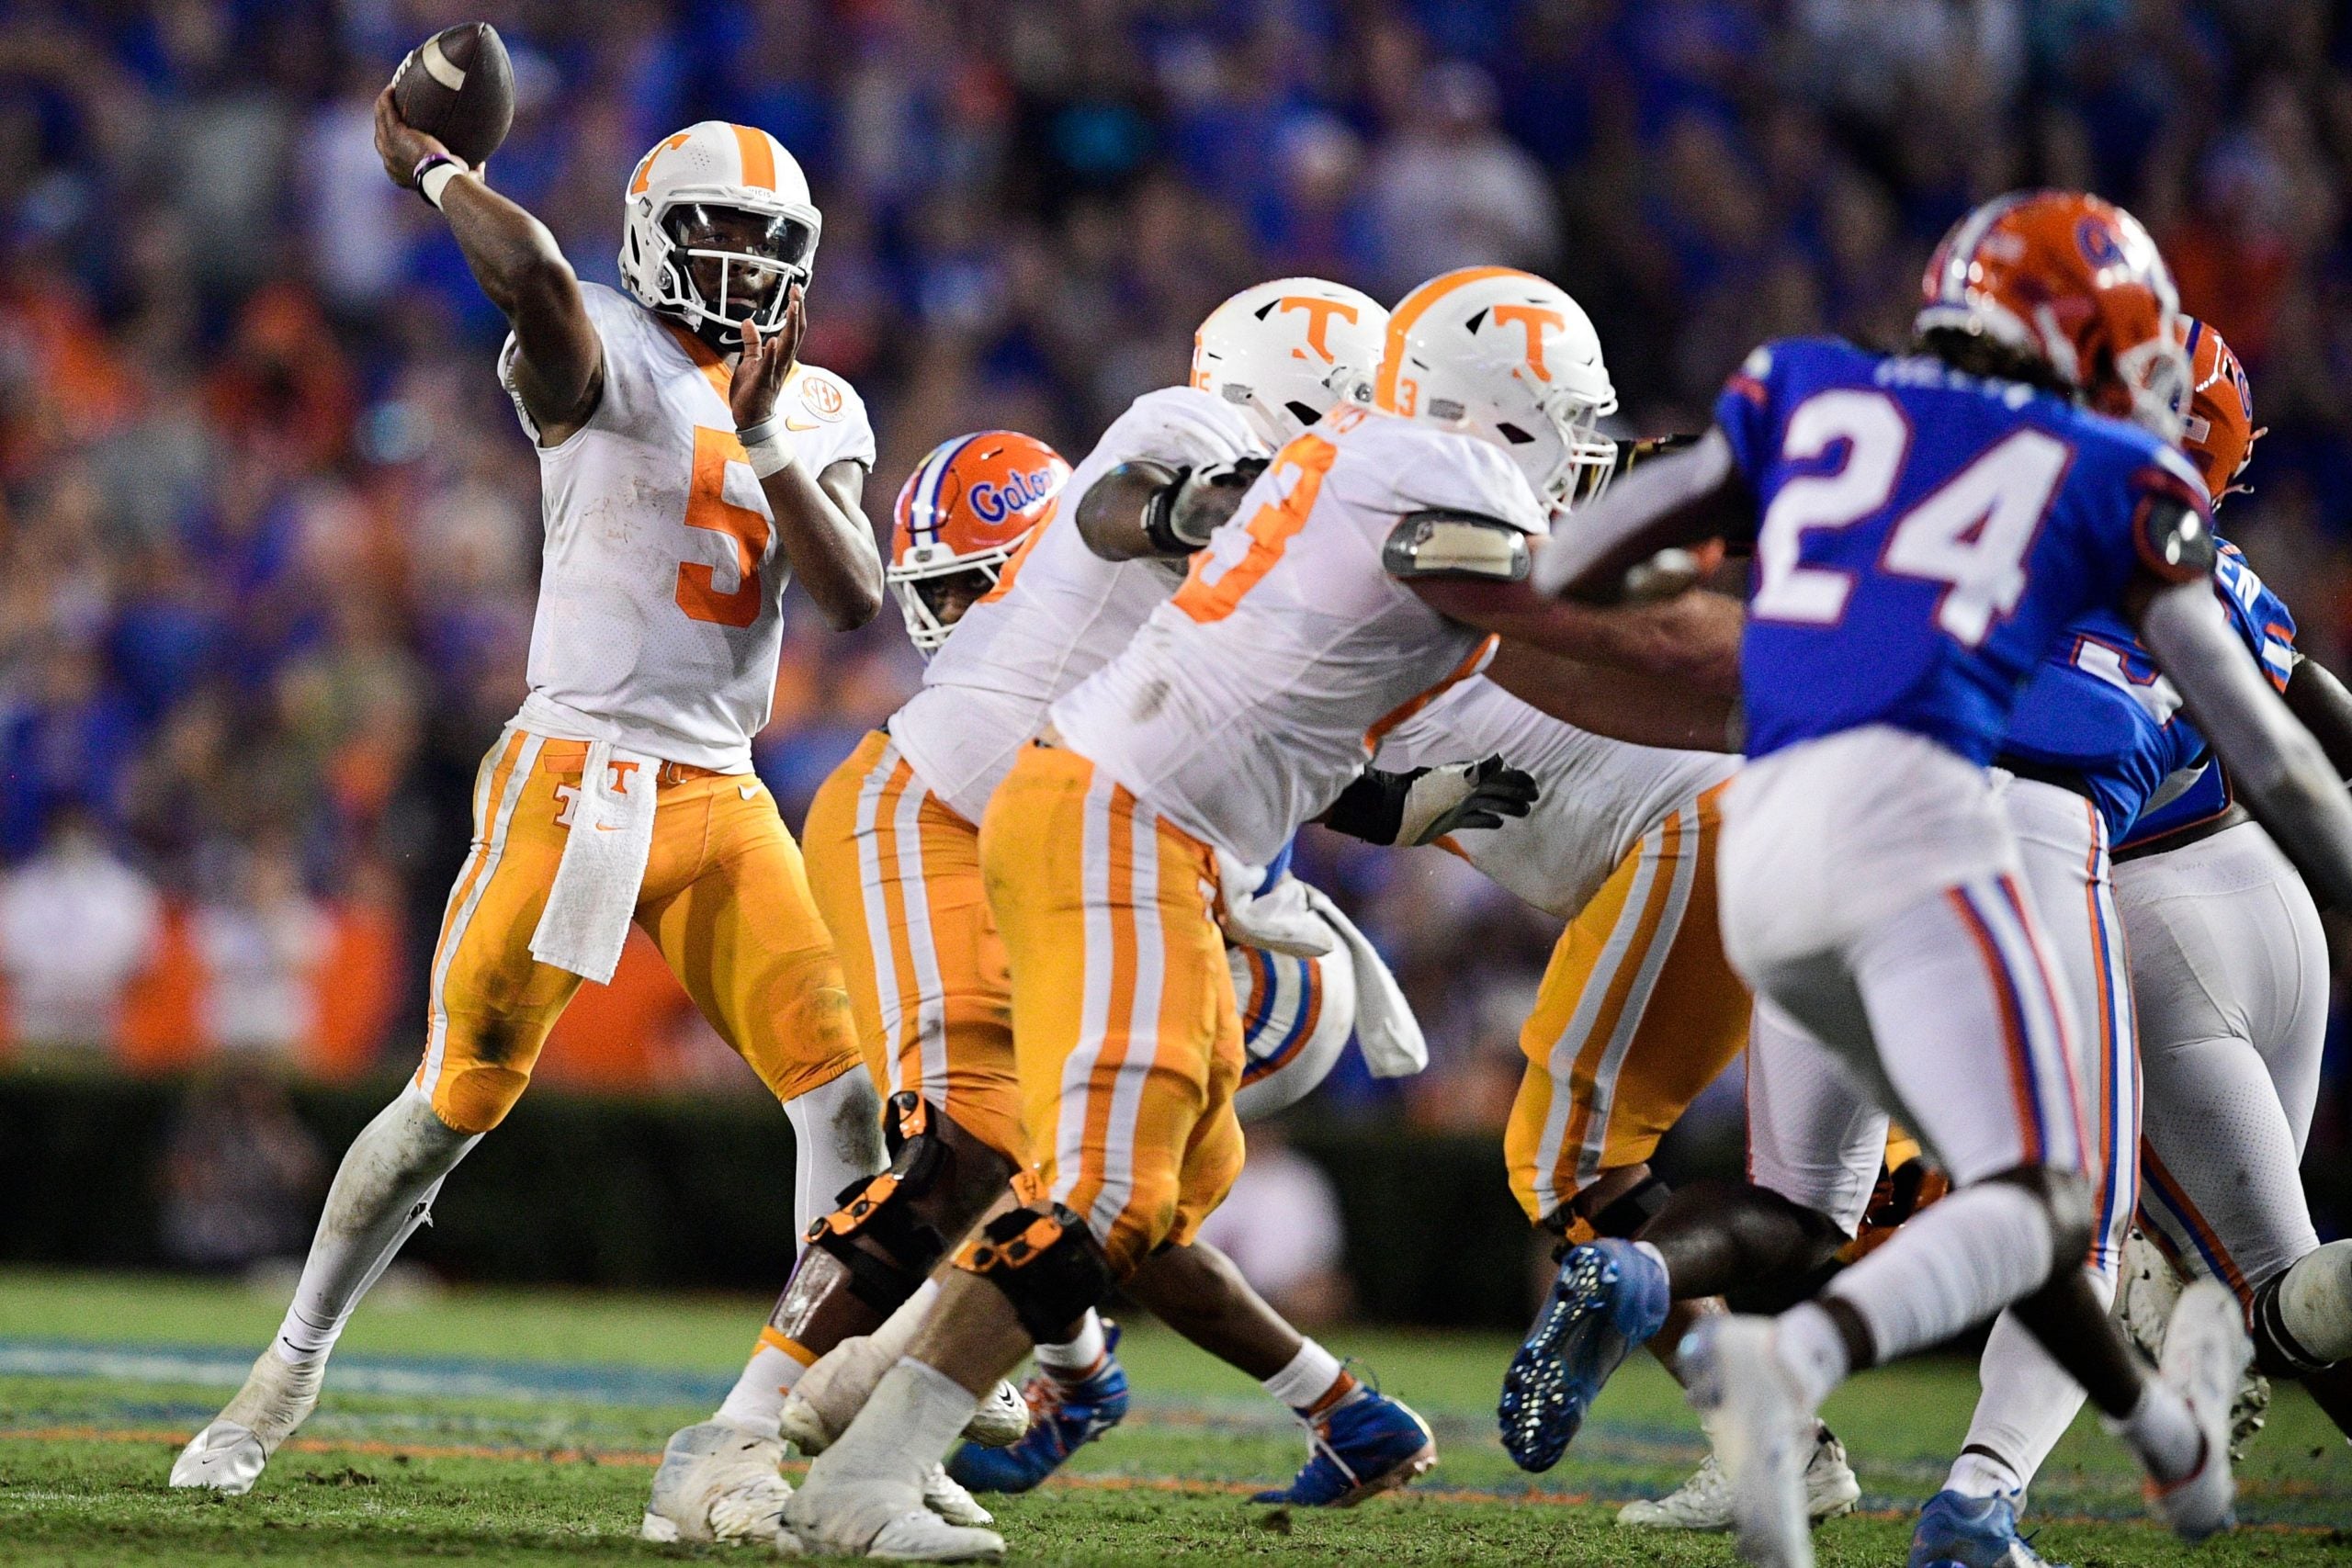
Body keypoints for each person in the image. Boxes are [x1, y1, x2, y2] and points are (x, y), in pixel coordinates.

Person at [783, 264, 1741, 1562]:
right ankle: (868, 1459)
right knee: (1108, 1184)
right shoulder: (1427, 488)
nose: (1585, 449)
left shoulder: (1378, 462)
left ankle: (886, 1416)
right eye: (1567, 420)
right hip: (1122, 817)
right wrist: (1822, 654)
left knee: (1138, 1187)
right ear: (1495, 416)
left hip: (1144, 826)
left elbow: (1618, 676)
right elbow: (1629, 646)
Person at [1531, 189, 2352, 1566]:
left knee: (1802, 1209)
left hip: (1785, 826)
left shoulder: (1819, 390)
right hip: (2005, 836)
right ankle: (1980, 1503)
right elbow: (2288, 743)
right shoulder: (2121, 486)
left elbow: (1589, 559)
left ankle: (1654, 1269)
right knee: (2063, 1221)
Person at [171, 97, 892, 1523]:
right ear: (653, 240)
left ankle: (811, 1396)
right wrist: (440, 168)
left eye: (770, 243)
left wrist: (764, 438)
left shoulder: (820, 400)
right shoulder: (600, 344)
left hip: (723, 787)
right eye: (719, 236)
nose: (747, 267)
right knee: (457, 1101)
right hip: (583, 776)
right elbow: (539, 282)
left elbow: (859, 592)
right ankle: (292, 1359)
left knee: (845, 1092)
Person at [764, 282, 1458, 1527]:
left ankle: (1249, 1397)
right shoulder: (1198, 444)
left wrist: (1364, 832)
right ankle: (788, 1431)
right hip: (1003, 828)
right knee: (1027, 1157)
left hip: (1102, 855)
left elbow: (1274, 741)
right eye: (970, 589)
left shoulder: (1307, 538)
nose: (975, 616)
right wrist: (1212, 510)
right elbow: (1125, 508)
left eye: (993, 583)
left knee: (1139, 1177)